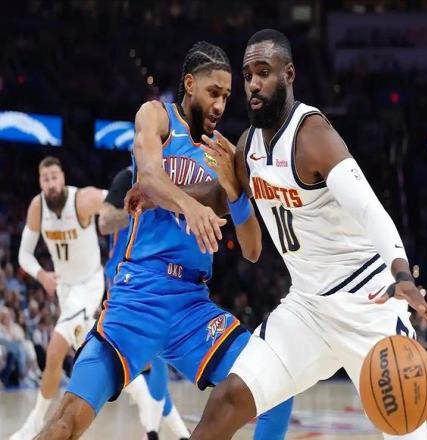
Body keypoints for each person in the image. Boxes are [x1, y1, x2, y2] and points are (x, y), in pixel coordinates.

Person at [190, 29, 427, 440]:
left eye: (264, 72)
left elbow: (369, 208)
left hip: (368, 303)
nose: (253, 84)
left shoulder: (312, 136)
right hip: (307, 308)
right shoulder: (248, 146)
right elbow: (222, 196)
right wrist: (161, 194)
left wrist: (402, 274)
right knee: (228, 400)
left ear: (288, 75)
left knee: (406, 428)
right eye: (248, 75)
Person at [34, 41, 292, 440]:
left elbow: (253, 249)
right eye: (213, 92)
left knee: (276, 387)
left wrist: (236, 192)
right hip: (139, 295)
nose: (220, 104)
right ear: (189, 84)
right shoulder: (156, 116)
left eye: (226, 96)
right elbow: (149, 178)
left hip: (191, 305)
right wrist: (191, 207)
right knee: (66, 423)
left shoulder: (222, 154)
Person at [12, 156, 106, 439]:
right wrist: (42, 275)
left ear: (63, 177)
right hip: (65, 290)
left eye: (54, 177)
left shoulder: (83, 199)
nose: (51, 183)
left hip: (89, 286)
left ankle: (34, 422)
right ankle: (148, 406)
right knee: (95, 351)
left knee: (54, 351)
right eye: (46, 179)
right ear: (40, 182)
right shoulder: (37, 207)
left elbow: (120, 202)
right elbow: (24, 254)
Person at [99, 166, 190, 440]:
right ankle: (154, 431)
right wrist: (140, 208)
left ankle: (166, 433)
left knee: (154, 356)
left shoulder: (174, 177)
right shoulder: (127, 177)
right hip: (125, 276)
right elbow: (104, 223)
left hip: (160, 272)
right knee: (143, 358)